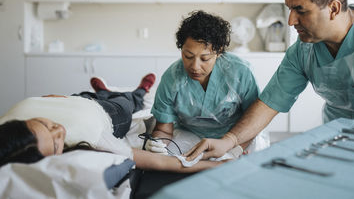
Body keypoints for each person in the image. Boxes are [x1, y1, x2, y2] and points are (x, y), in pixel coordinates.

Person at [185, 0, 354, 161]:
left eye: (301, 10)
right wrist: (228, 141)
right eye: (289, 9)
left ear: (334, 8)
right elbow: (269, 103)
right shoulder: (304, 49)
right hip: (336, 140)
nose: (290, 21)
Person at [0, 74, 222, 172]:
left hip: (76, 98)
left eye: (45, 123)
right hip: (109, 113)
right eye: (57, 142)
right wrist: (217, 165)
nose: (59, 129)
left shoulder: (8, 124)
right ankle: (140, 90)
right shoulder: (90, 142)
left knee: (95, 94)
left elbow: (45, 100)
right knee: (126, 100)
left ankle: (105, 90)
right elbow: (163, 163)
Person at [147, 10, 261, 157]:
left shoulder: (241, 73)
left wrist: (235, 149)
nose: (195, 66)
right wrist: (159, 143)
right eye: (188, 56)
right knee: (174, 161)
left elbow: (254, 120)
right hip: (191, 136)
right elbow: (164, 129)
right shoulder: (172, 78)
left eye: (205, 58)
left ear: (219, 52)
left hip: (237, 136)